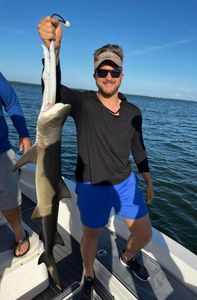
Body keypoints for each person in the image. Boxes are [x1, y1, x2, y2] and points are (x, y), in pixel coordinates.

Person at [38, 16, 154, 299]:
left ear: (122, 75)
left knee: (144, 235)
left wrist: (148, 179)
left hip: (125, 183)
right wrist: (53, 50)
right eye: (103, 72)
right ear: (95, 75)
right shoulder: (82, 102)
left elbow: (137, 147)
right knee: (90, 236)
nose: (109, 77)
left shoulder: (133, 111)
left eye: (114, 71)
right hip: (91, 187)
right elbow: (51, 90)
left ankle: (128, 257)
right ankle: (88, 274)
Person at [0, 72, 31, 257]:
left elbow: (11, 102)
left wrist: (23, 132)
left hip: (1, 150)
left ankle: (19, 233)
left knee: (9, 196)